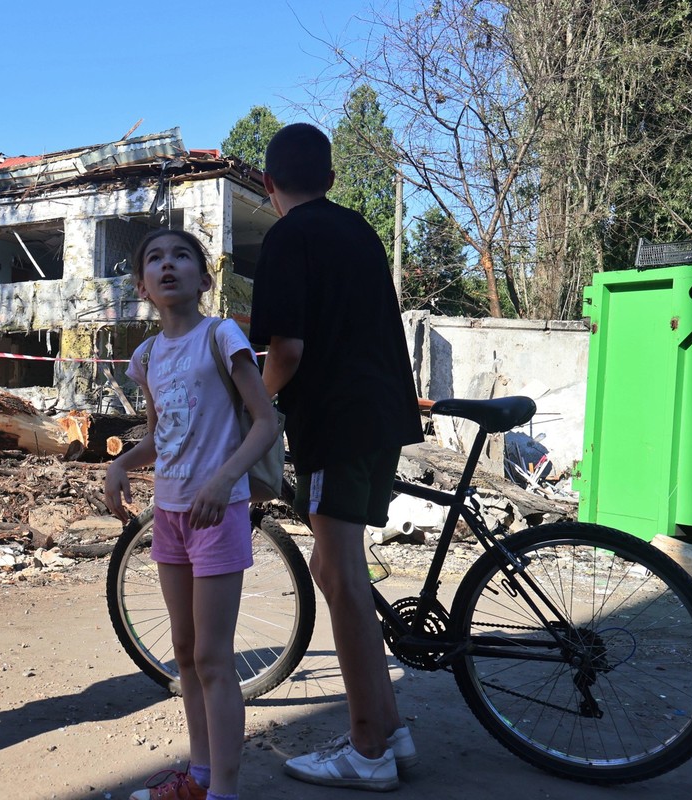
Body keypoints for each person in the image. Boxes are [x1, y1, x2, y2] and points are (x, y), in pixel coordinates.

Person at [249, 123, 425, 792]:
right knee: (333, 567)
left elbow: (286, 352)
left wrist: (254, 408)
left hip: (338, 423)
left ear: (268, 185)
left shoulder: (288, 238)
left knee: (343, 579)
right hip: (381, 416)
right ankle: (389, 725)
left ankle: (367, 750)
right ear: (330, 179)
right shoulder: (358, 230)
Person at [105, 229, 279, 800]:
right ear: (142, 286)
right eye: (154, 258)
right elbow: (161, 437)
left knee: (212, 656)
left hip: (219, 513)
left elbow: (265, 420)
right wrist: (120, 465)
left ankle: (224, 790)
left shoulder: (220, 335)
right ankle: (198, 777)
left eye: (181, 256)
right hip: (170, 517)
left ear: (204, 280)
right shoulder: (148, 356)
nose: (168, 265)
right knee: (183, 653)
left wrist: (226, 479)